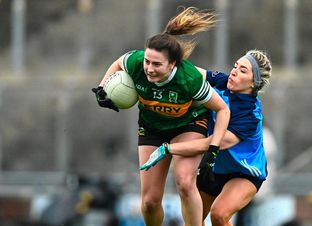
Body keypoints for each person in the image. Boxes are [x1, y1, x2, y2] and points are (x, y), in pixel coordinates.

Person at [92, 7, 230, 226]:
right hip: (152, 128)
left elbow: (223, 109)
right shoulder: (136, 62)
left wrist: (213, 147)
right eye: (148, 61)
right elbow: (119, 62)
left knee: (185, 183)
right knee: (149, 202)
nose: (149, 69)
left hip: (188, 124)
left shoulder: (189, 79)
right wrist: (102, 88)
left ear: (172, 64)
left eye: (156, 64)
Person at [141, 49, 272, 226]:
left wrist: (168, 149)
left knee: (219, 215)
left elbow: (212, 143)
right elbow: (191, 72)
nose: (234, 71)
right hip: (214, 168)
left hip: (244, 173)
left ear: (254, 83)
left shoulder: (250, 115)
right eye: (235, 66)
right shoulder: (223, 81)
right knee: (193, 220)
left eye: (243, 71)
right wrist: (162, 58)